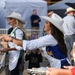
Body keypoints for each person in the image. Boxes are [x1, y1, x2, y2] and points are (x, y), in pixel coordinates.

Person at [0, 12, 70, 68]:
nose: (44, 24)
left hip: (61, 67)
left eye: (46, 22)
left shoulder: (50, 38)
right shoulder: (50, 37)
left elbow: (30, 45)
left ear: (52, 27)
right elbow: (36, 46)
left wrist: (10, 39)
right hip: (59, 66)